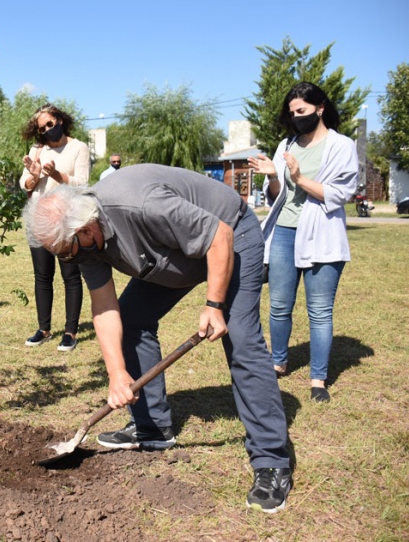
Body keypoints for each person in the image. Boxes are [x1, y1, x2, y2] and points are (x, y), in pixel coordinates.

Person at [22, 164, 293, 513]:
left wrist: (214, 304)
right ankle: (152, 429)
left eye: (65, 252)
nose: (65, 259)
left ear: (86, 229)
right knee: (132, 319)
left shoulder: (141, 205)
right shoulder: (83, 243)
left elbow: (218, 235)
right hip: (170, 254)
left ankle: (271, 460)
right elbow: (105, 308)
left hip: (230, 237)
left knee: (240, 338)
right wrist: (117, 373)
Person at [249, 82, 357, 404]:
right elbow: (275, 198)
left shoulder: (341, 146)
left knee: (320, 310)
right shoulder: (288, 143)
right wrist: (272, 176)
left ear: (319, 108)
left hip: (322, 233)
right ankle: (278, 362)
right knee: (280, 304)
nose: (296, 117)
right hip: (283, 230)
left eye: (302, 111)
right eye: (292, 113)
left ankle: (318, 379)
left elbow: (339, 195)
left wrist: (299, 179)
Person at [19, 104, 90, 352]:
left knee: (71, 276)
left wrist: (58, 176)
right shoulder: (38, 150)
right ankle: (44, 329)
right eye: (42, 128)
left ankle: (70, 332)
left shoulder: (78, 147)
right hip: (39, 219)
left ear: (60, 119)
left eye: (50, 124)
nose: (48, 130)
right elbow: (25, 183)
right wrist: (35, 175)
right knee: (42, 276)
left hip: (66, 221)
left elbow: (82, 184)